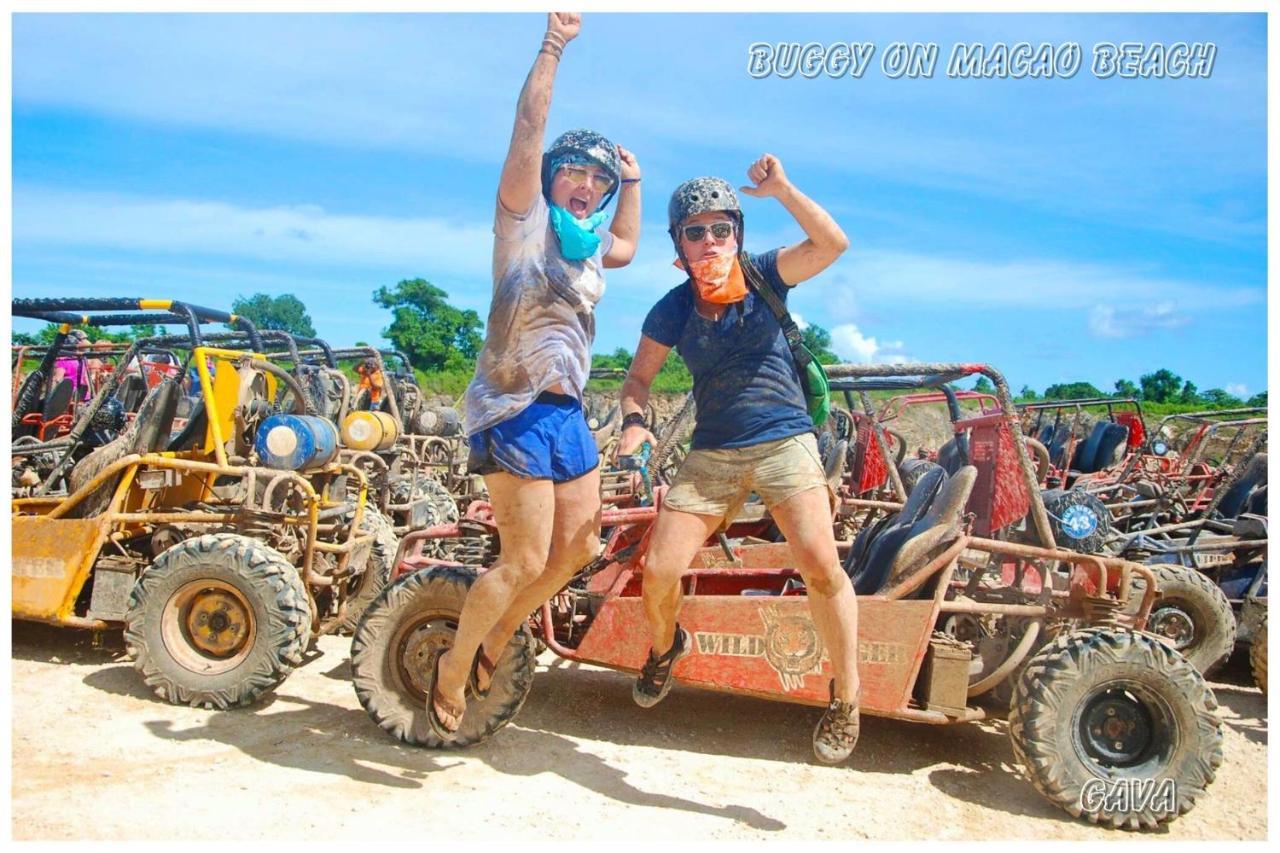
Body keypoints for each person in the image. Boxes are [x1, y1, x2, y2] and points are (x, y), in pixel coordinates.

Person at [428, 12, 641, 737]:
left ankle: (497, 636)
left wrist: (634, 181)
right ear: (552, 178)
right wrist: (552, 46)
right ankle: (455, 665)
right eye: (574, 172)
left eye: (598, 180)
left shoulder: (589, 249)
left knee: (579, 547)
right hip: (513, 406)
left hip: (566, 411)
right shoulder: (523, 221)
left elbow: (631, 246)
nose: (585, 185)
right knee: (523, 559)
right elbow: (528, 127)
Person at [614, 156, 861, 764]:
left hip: (784, 439)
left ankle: (846, 695)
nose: (709, 241)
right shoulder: (672, 308)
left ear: (738, 234)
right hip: (714, 452)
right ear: (678, 242)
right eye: (694, 231)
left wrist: (781, 190)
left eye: (720, 229)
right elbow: (637, 379)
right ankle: (667, 647)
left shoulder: (765, 274)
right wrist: (634, 424)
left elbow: (833, 243)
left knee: (820, 565)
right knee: (660, 570)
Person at [50, 329, 92, 401]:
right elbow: (57, 380)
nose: (87, 342)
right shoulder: (64, 360)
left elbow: (86, 379)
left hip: (77, 397)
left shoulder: (81, 360)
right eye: (84, 339)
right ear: (74, 341)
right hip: (73, 398)